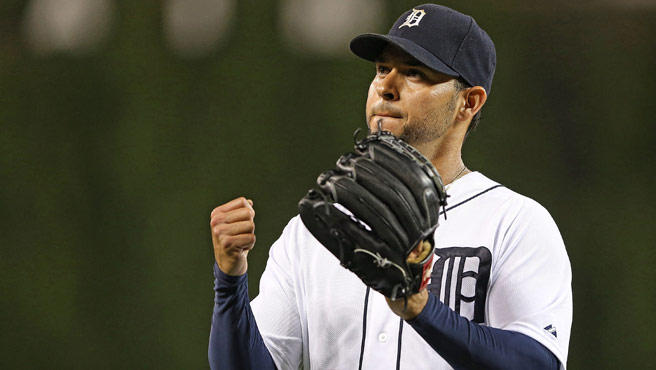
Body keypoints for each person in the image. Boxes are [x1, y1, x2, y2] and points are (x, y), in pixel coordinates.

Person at [208, 4, 572, 370]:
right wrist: (230, 280)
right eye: (383, 69)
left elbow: (538, 362)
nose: (386, 86)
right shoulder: (314, 230)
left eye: (414, 73)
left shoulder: (515, 223)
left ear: (469, 102)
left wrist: (421, 309)